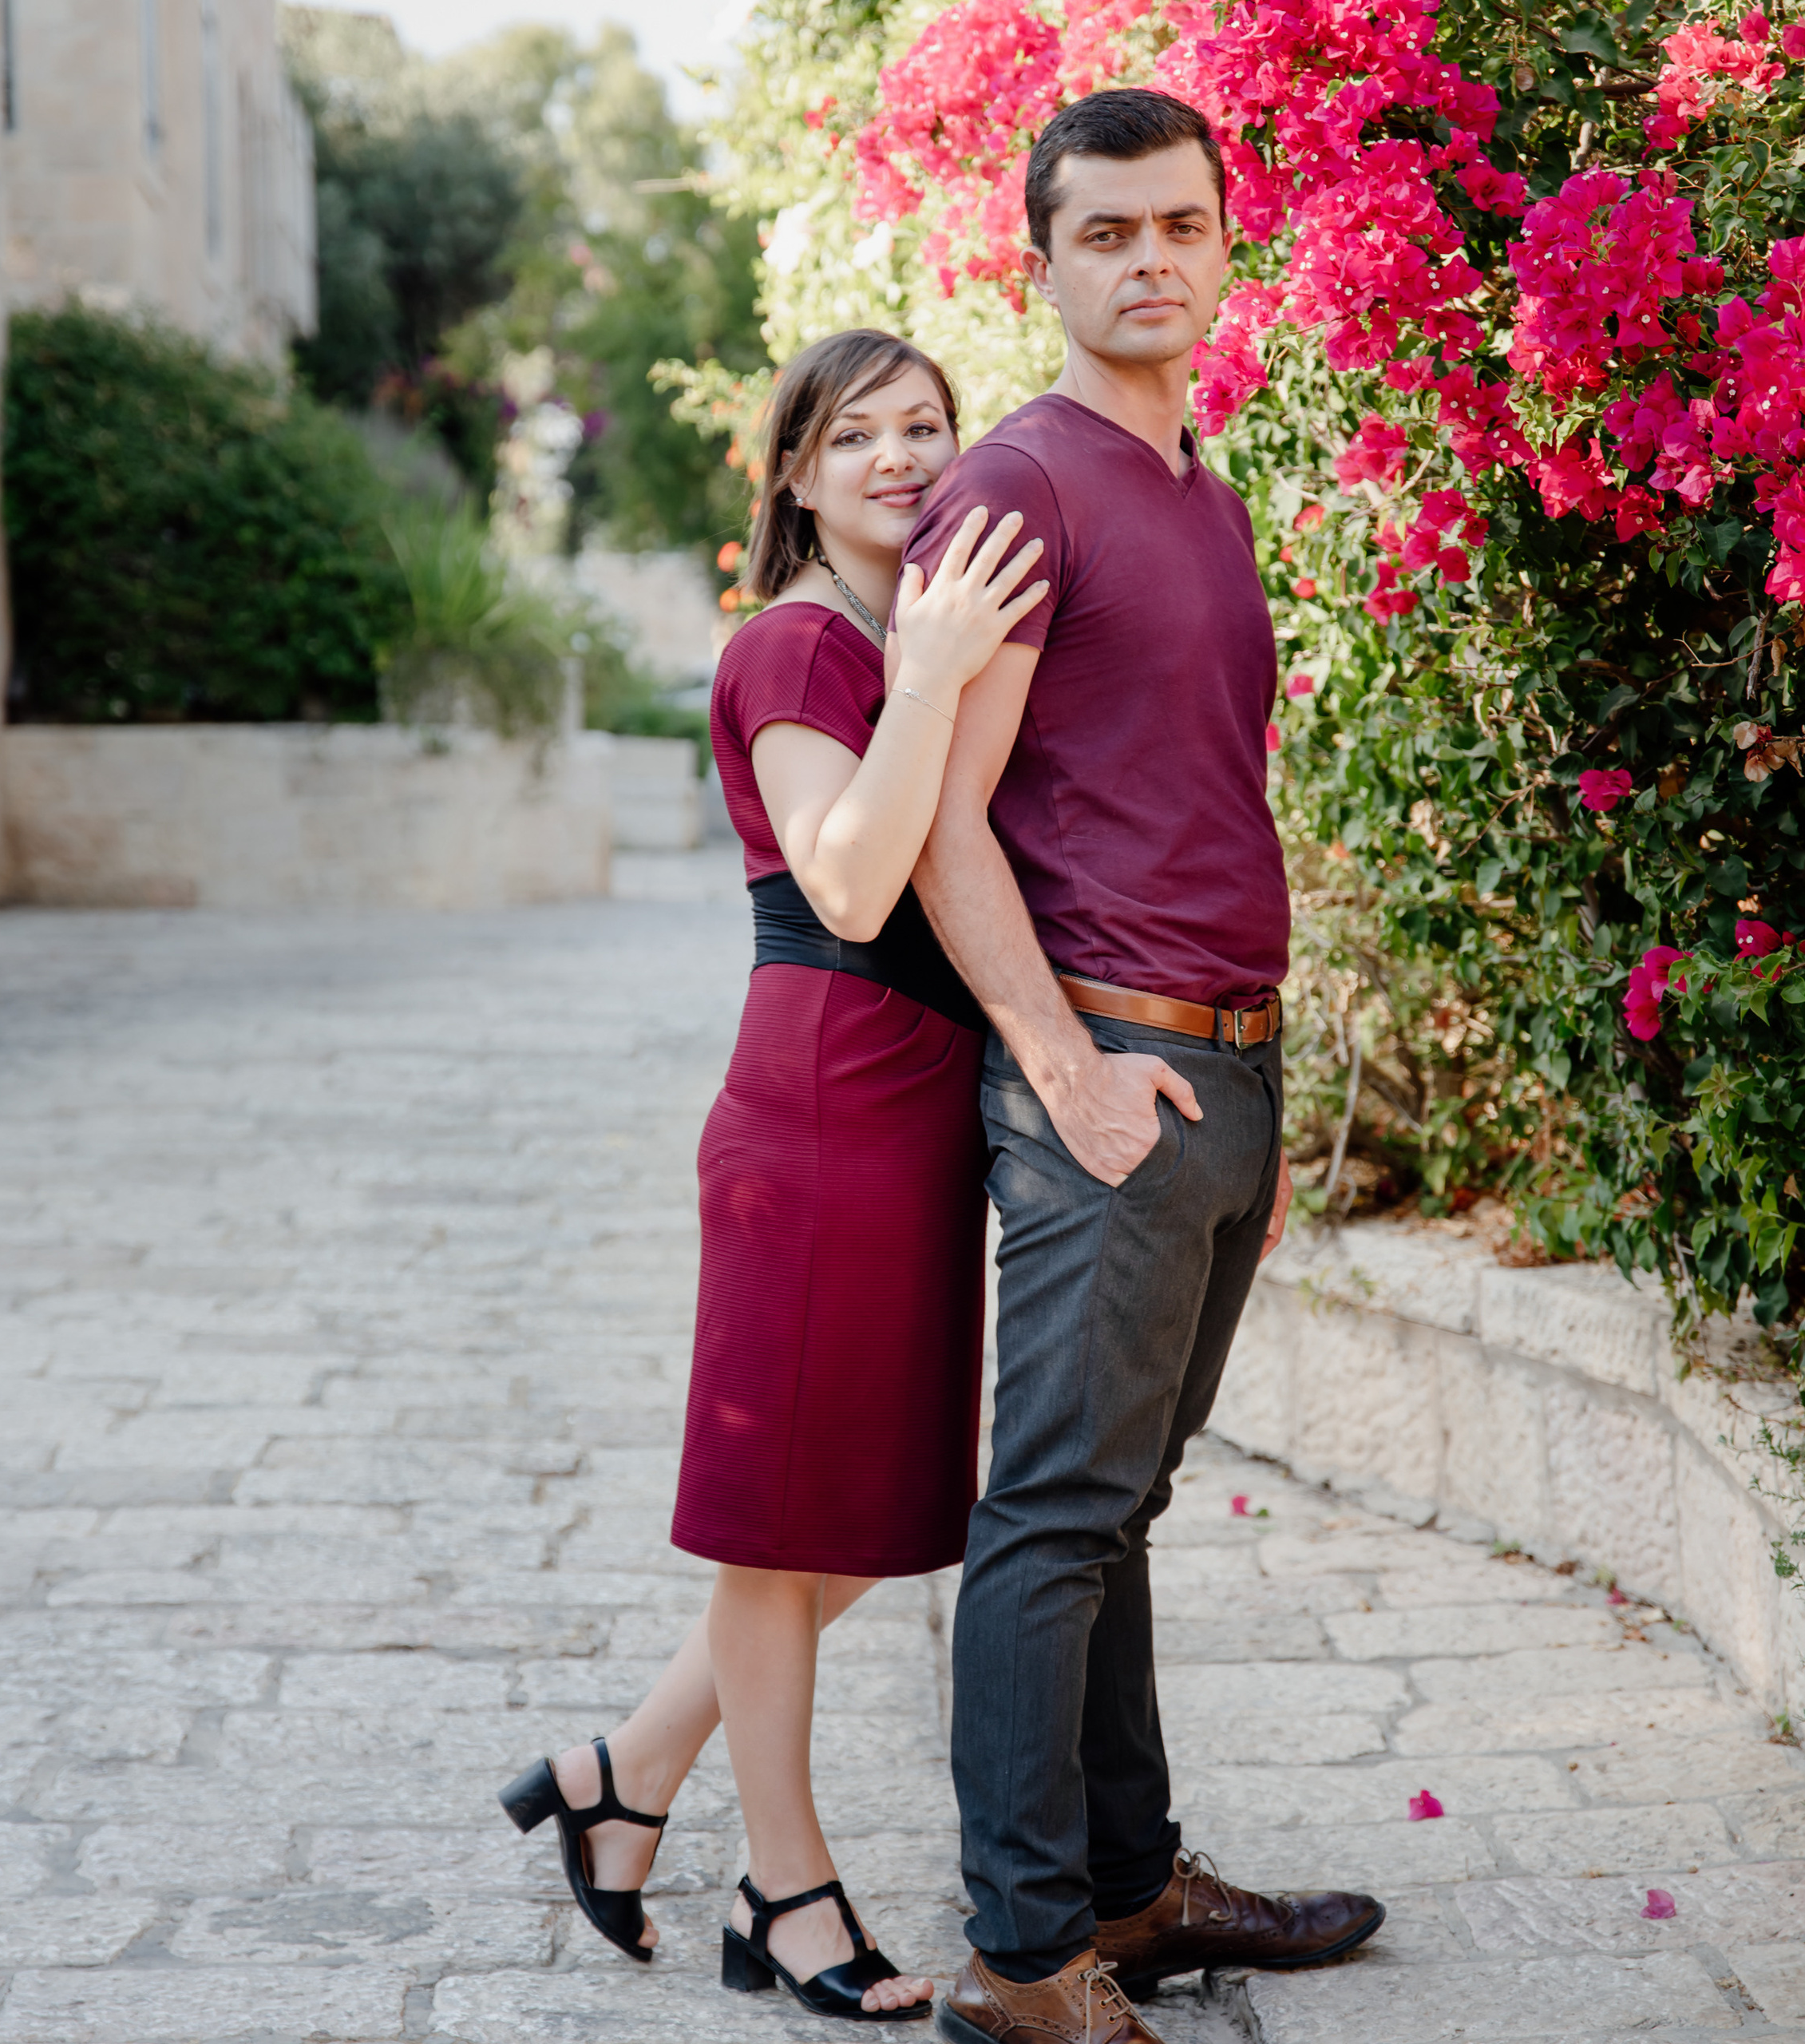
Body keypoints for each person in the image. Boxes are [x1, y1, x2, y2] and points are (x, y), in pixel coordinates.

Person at [899, 92, 1386, 2044]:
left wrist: (1253, 1088)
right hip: (1104, 1062)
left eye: (1178, 224)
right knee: (1049, 1512)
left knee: (1115, 1501)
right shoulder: (1020, 487)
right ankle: (1023, 1958)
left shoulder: (1195, 482)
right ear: (1044, 263)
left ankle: (1125, 1883)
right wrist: (1063, 1063)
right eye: (1104, 233)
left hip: (1215, 1070)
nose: (1149, 260)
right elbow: (942, 820)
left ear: (1219, 242)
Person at [498, 329, 1047, 2024]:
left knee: (856, 1518)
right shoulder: (800, 647)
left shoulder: (887, 635)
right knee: (780, 1524)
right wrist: (945, 666)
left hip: (894, 1117)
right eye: (857, 433)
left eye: (927, 426)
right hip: (819, 1115)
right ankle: (783, 1888)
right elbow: (857, 880)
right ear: (794, 476)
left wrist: (945, 655)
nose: (900, 454)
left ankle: (623, 1770)